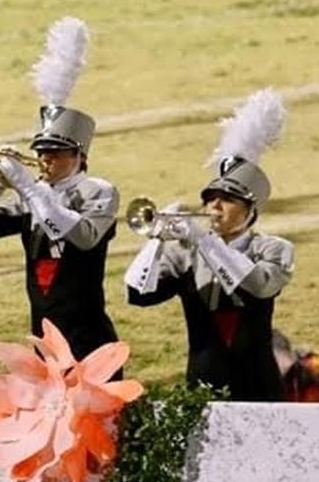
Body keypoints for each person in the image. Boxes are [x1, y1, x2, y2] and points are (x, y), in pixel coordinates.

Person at [0, 18, 120, 361]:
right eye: (42, 152)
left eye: (56, 153)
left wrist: (26, 186)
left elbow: (82, 236)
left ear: (80, 156)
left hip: (88, 336)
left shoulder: (99, 192)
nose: (46, 160)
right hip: (42, 335)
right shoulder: (32, 196)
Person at [125, 89, 295, 401]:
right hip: (202, 386)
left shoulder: (275, 249)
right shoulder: (186, 254)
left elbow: (256, 286)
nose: (214, 206)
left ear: (250, 210)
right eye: (210, 198)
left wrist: (203, 239)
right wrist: (156, 241)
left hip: (259, 386)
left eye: (227, 199)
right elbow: (138, 294)